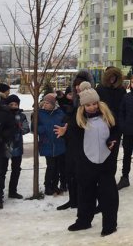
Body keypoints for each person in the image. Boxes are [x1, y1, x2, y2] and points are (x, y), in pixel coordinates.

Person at [54, 81, 119, 237]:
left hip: (105, 163)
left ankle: (110, 224)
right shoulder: (77, 121)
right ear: (82, 106)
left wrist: (112, 140)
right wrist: (64, 132)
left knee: (108, 195)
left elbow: (116, 131)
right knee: (85, 193)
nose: (92, 107)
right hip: (86, 164)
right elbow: (72, 137)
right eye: (88, 105)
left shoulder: (107, 117)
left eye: (94, 104)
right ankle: (84, 220)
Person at [56, 69, 93, 211]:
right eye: (76, 85)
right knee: (70, 171)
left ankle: (83, 201)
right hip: (72, 142)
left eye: (81, 84)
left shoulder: (91, 102)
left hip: (85, 143)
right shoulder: (75, 101)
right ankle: (73, 200)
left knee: (82, 174)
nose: (78, 87)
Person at [34, 93, 66, 195]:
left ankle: (55, 185)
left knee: (57, 167)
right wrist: (42, 129)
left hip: (59, 144)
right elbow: (34, 128)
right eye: (44, 102)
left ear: (53, 104)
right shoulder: (40, 113)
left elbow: (65, 124)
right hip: (47, 143)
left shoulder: (60, 113)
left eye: (47, 103)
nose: (45, 105)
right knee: (51, 166)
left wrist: (62, 129)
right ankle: (48, 186)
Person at [4, 95, 30, 199]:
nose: (14, 106)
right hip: (5, 146)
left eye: (16, 104)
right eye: (11, 104)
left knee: (16, 169)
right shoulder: (3, 114)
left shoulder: (21, 116)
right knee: (2, 170)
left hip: (17, 145)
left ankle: (12, 191)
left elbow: (26, 129)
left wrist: (18, 128)